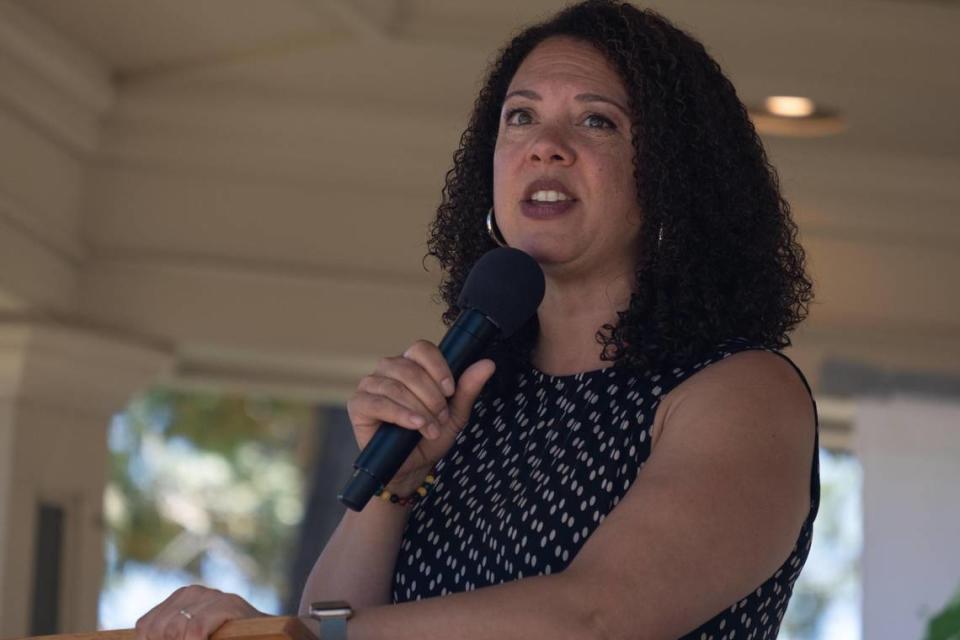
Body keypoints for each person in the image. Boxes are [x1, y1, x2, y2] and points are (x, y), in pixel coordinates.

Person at [134, 1, 818, 639]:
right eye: (520, 117)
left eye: (596, 120)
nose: (544, 146)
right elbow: (334, 618)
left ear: (672, 175)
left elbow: (597, 617)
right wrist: (393, 491)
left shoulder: (742, 393)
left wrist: (301, 637)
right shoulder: (473, 391)